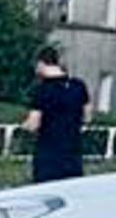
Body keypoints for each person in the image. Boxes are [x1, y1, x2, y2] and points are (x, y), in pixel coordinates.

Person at [23, 48, 90, 184]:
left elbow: (33, 124)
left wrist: (25, 125)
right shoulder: (78, 86)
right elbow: (87, 116)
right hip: (72, 152)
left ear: (41, 64)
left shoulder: (42, 90)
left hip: (49, 154)